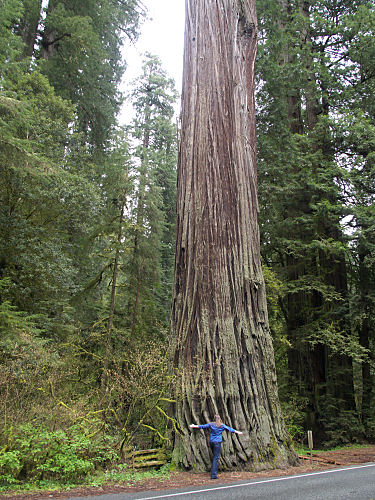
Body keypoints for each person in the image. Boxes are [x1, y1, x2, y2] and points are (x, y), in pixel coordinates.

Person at [190, 414, 243, 479]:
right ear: (220, 419)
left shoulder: (211, 424)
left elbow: (202, 426)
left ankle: (213, 472)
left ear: (214, 419)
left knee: (215, 456)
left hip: (211, 442)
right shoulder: (222, 425)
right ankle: (213, 475)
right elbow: (230, 429)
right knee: (216, 458)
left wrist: (194, 426)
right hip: (217, 443)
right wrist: (238, 432)